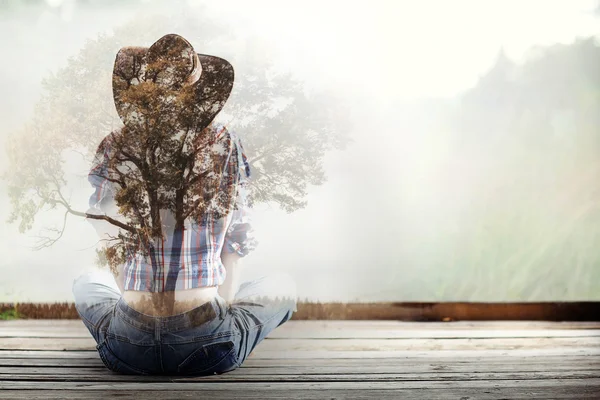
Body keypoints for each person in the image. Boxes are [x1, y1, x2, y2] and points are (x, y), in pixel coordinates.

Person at [72, 34, 297, 376]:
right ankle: (219, 328)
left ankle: (136, 328)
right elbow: (236, 240)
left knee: (86, 282)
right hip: (206, 344)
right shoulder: (224, 143)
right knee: (282, 286)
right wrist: (219, 313)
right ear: (198, 93)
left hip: (129, 347)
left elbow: (106, 232)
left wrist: (139, 313)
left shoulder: (116, 145)